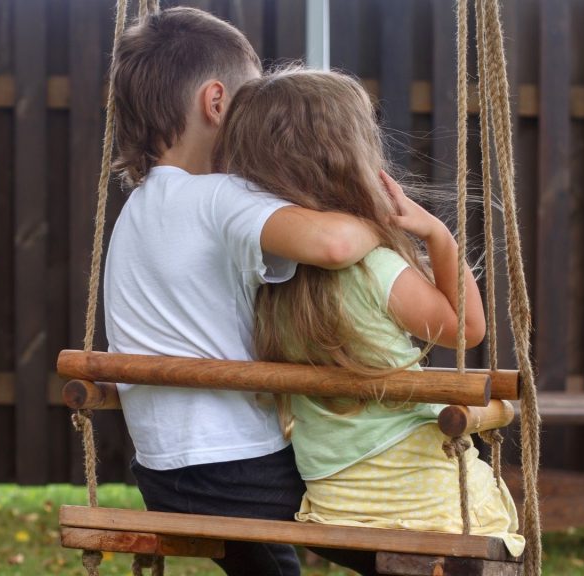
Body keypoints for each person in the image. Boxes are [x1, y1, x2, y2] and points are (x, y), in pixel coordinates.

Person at [214, 68, 526, 575]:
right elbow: (466, 330)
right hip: (422, 501)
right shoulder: (373, 268)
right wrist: (439, 237)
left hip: (337, 498)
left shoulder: (261, 274)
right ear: (352, 157)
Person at [104, 8, 383, 575]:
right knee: (393, 522)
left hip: (164, 473)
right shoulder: (219, 198)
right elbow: (333, 244)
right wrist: (390, 219)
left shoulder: (139, 206)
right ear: (217, 102)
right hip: (236, 468)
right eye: (253, 100)